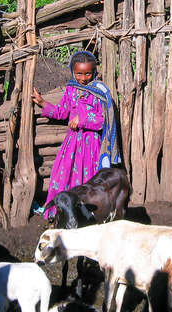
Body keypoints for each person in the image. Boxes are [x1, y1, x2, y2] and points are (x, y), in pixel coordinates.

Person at [31, 50, 121, 220]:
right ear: (73, 71)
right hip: (72, 144)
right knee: (64, 174)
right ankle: (60, 212)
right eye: (79, 73)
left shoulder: (100, 91)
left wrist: (83, 118)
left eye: (87, 73)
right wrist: (43, 103)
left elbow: (105, 119)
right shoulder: (72, 89)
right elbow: (63, 112)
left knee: (89, 180)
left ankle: (88, 215)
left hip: (92, 145)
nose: (83, 78)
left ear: (94, 71)